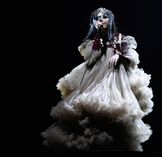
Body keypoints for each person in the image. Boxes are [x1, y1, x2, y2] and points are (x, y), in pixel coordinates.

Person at [41, 7, 154, 152]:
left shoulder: (119, 38)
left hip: (113, 73)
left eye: (104, 17)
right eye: (98, 17)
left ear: (110, 19)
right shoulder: (94, 40)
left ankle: (114, 143)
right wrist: (97, 42)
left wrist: (118, 55)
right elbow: (91, 58)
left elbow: (132, 57)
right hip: (95, 73)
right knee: (88, 101)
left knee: (113, 102)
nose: (101, 19)